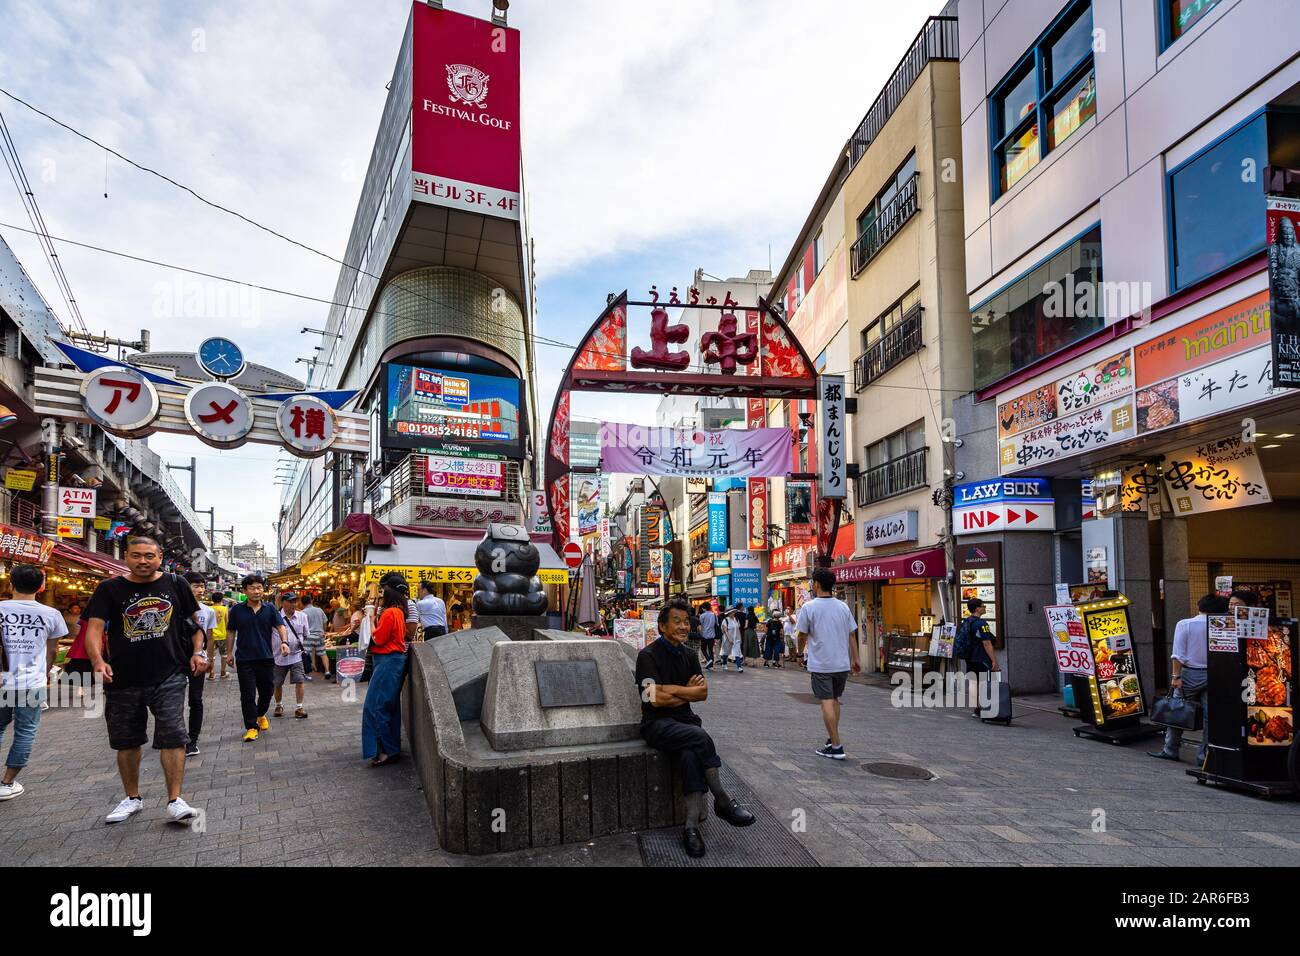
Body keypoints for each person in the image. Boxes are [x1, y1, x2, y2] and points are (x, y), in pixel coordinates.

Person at [83, 537, 206, 824]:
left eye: (149, 555)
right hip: (123, 677)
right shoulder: (109, 589)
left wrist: (198, 653)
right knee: (127, 741)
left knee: (174, 736)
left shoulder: (176, 584)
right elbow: (94, 629)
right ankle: (132, 798)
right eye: (136, 555)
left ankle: (175, 800)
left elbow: (195, 625)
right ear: (126, 556)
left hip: (170, 673)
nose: (143, 561)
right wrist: (98, 661)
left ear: (160, 557)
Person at [635, 599, 754, 858]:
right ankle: (722, 799)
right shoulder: (647, 656)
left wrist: (670, 691)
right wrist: (685, 692)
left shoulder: (689, 655)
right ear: (662, 626)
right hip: (656, 724)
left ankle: (690, 828)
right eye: (676, 621)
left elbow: (702, 694)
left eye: (686, 621)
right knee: (700, 737)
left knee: (690, 755)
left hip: (684, 722)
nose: (682, 626)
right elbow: (651, 699)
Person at [0, 564, 67, 801]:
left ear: (10, 584)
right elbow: (52, 650)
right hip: (32, 683)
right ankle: (7, 783)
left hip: (1, 682)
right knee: (25, 731)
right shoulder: (51, 614)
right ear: (41, 586)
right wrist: (46, 675)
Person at [1151, 594, 1225, 764]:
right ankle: (1204, 756)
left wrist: (1175, 676)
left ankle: (1170, 750)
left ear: (1200, 606)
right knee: (1210, 717)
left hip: (1190, 673)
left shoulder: (1185, 624)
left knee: (1177, 710)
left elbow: (1177, 654)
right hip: (1215, 674)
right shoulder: (1223, 626)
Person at [796, 569, 860, 760]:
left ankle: (836, 746)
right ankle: (832, 738)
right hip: (841, 664)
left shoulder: (809, 608)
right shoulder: (843, 607)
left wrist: (799, 652)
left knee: (826, 702)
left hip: (821, 664)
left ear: (816, 584)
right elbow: (851, 634)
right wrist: (856, 658)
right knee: (834, 699)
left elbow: (801, 634)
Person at [225, 574, 289, 743]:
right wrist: (229, 653)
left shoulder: (270, 609)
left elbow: (281, 626)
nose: (256, 591)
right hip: (245, 659)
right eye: (252, 588)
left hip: (266, 657)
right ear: (245, 591)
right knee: (247, 694)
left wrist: (284, 642)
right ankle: (251, 727)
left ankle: (260, 714)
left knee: (267, 691)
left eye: (259, 587)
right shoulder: (237, 610)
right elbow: (231, 631)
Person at [363, 585, 408, 766]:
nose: (380, 599)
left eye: (382, 596)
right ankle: (392, 747)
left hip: (387, 662)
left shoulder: (389, 613)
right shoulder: (399, 612)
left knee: (376, 706)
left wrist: (372, 619)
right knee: (390, 706)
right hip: (395, 661)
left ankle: (385, 751)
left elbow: (378, 638)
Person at [181, 572, 217, 757]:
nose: (200, 589)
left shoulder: (208, 611)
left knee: (196, 699)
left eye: (202, 586)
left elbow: (209, 637)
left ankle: (192, 740)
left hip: (199, 659)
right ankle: (176, 735)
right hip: (177, 660)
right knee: (175, 699)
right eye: (195, 585)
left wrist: (209, 660)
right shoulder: (175, 608)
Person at [954, 599, 999, 718]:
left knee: (974, 682)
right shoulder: (981, 624)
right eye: (983, 606)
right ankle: (985, 707)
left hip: (969, 656)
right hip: (981, 656)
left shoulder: (967, 621)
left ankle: (976, 709)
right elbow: (987, 643)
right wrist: (994, 660)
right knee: (984, 682)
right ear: (978, 609)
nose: (985, 608)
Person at [273, 592, 309, 719]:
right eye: (290, 601)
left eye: (295, 601)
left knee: (300, 680)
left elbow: (305, 634)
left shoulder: (302, 616)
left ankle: (299, 707)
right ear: (283, 603)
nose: (293, 604)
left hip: (296, 656)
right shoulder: (275, 617)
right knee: (277, 683)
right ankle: (279, 705)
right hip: (278, 657)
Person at [300, 593, 332, 681]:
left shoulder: (302, 613)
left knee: (305, 655)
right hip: (319, 635)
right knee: (323, 653)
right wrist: (323, 631)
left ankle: (306, 674)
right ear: (311, 601)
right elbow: (325, 622)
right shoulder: (319, 610)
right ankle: (327, 671)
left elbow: (302, 627)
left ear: (302, 603)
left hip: (308, 636)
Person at [207, 592, 230, 681]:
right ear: (221, 599)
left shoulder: (209, 609)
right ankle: (223, 672)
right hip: (223, 635)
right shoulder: (224, 609)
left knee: (211, 656)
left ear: (212, 599)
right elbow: (227, 622)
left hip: (211, 636)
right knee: (224, 655)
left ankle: (211, 673)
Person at [721, 607, 743, 672]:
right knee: (726, 653)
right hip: (727, 639)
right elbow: (725, 631)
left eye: (734, 612)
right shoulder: (725, 620)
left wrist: (740, 638)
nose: (733, 613)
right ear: (728, 613)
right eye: (731, 612)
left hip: (736, 639)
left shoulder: (736, 619)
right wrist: (729, 639)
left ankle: (739, 667)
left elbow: (738, 629)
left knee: (737, 653)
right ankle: (724, 664)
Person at [698, 602, 718, 671]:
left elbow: (700, 625)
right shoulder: (714, 615)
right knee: (710, 650)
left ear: (704, 608)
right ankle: (711, 665)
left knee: (703, 649)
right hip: (712, 635)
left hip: (704, 635)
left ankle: (709, 660)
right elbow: (716, 624)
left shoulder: (702, 616)